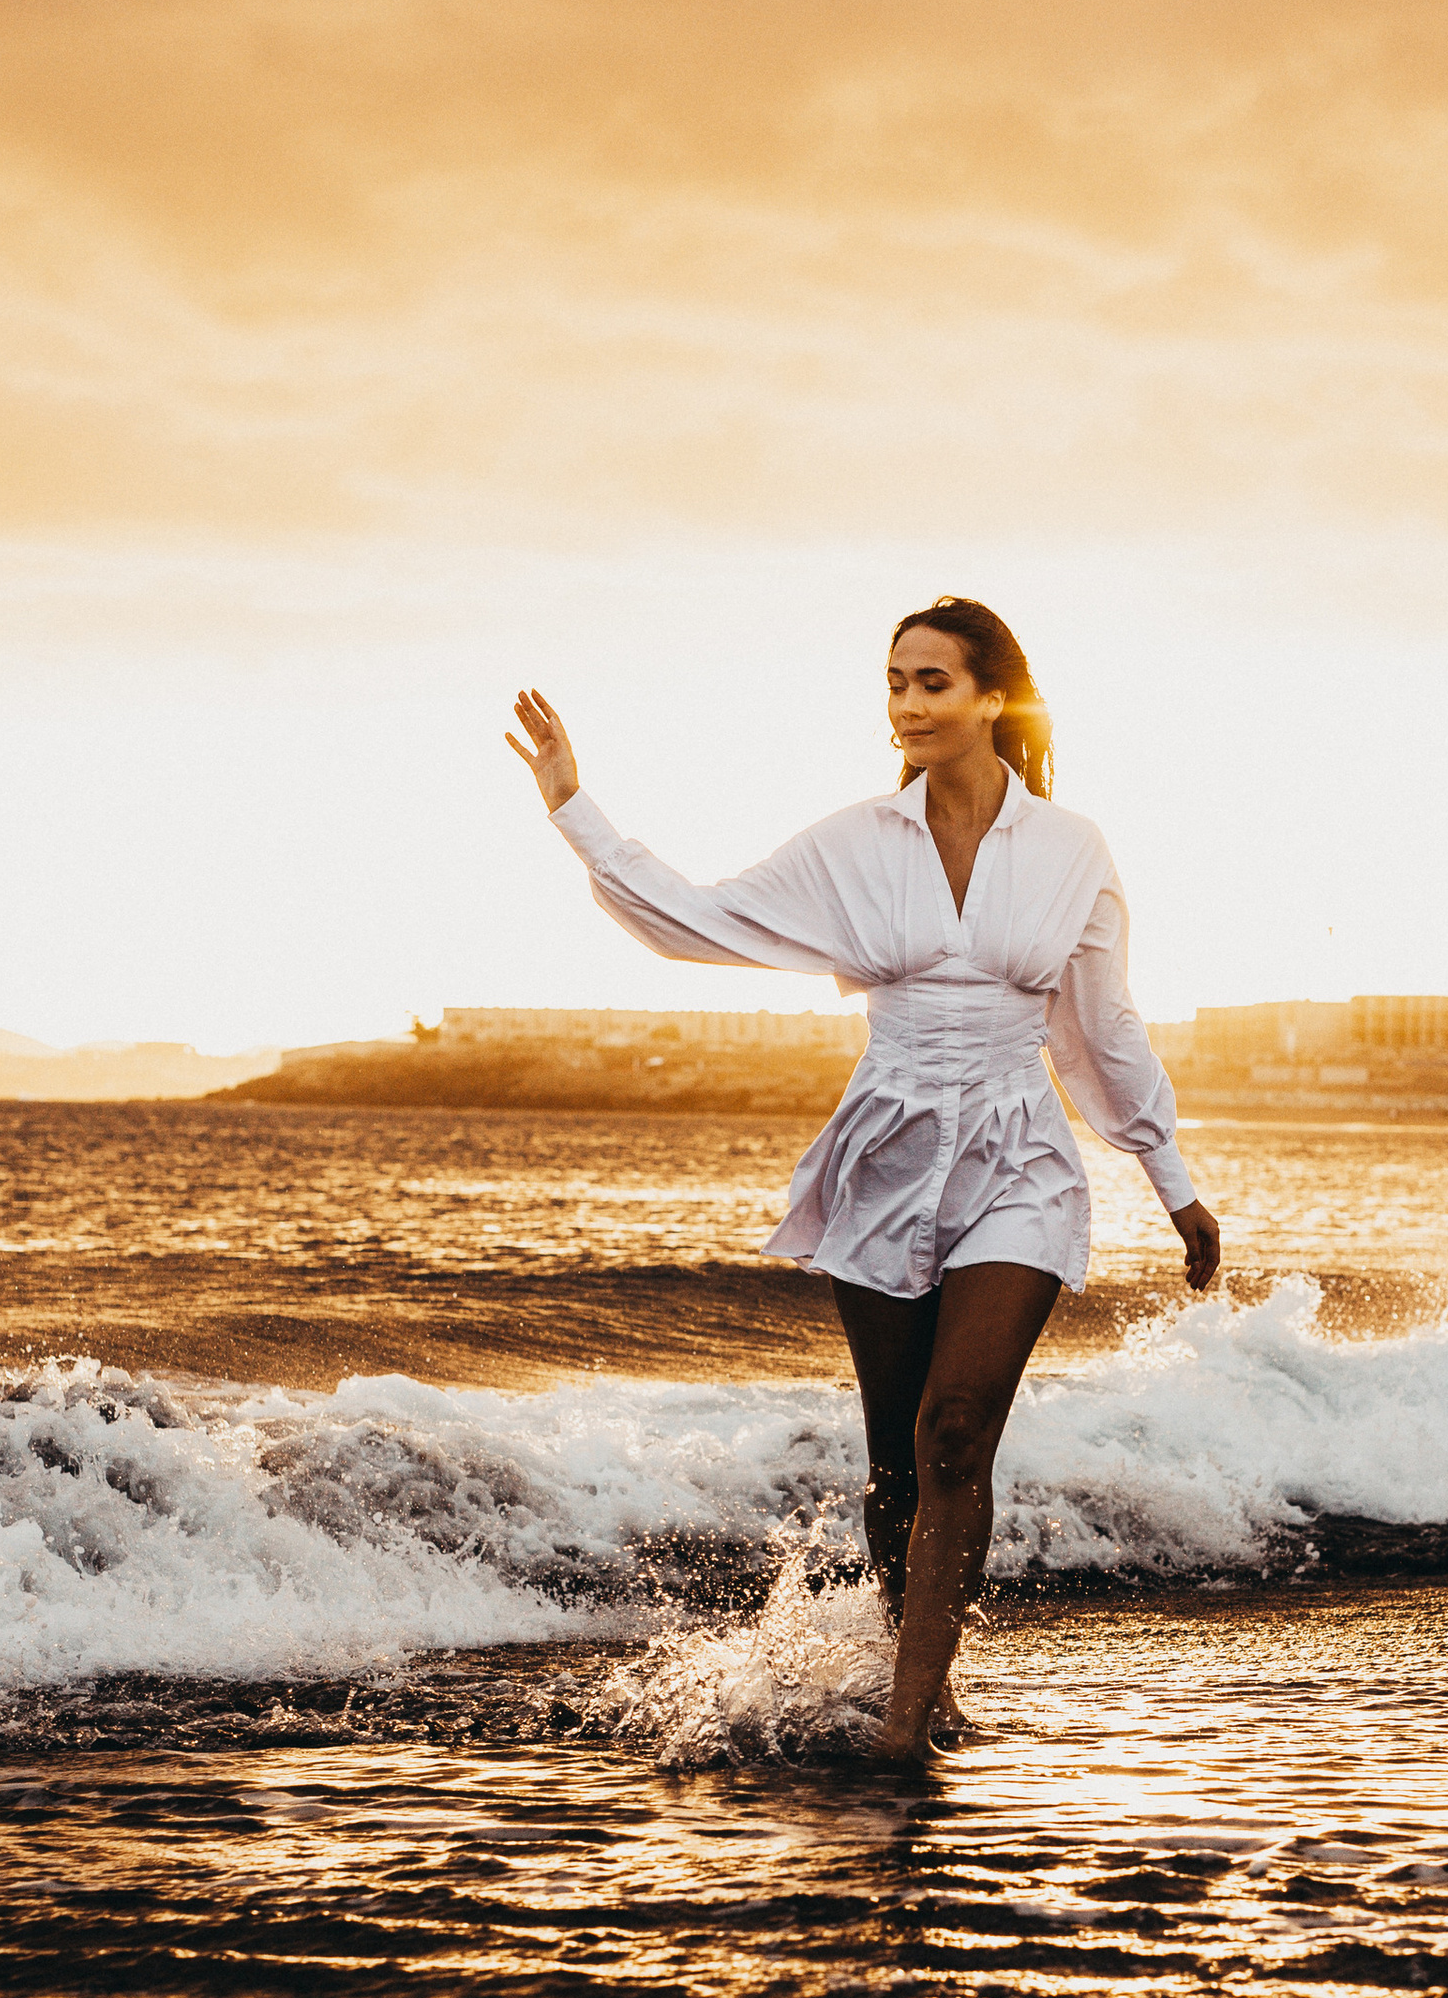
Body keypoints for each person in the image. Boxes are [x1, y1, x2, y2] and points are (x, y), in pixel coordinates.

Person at [507, 597, 1220, 1762]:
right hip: (884, 1163)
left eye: (931, 682)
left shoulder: (1069, 848)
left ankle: (904, 1719)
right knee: (896, 1458)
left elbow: (1102, 1024)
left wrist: (1169, 1175)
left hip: (1018, 1162)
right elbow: (697, 920)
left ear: (994, 696)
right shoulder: (852, 844)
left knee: (954, 1435)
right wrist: (572, 808)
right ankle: (927, 1681)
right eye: (894, 682)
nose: (905, 704)